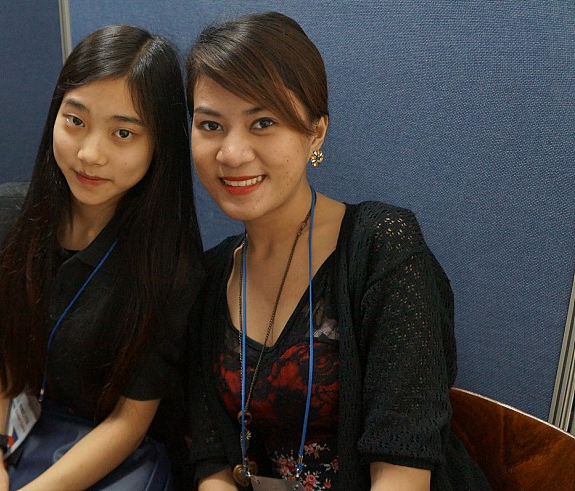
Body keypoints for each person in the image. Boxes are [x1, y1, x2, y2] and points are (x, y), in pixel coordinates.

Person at [185, 11, 490, 491]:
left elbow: (403, 467)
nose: (232, 152)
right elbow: (211, 458)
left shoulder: (383, 248)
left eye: (263, 122)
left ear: (316, 132)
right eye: (210, 125)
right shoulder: (210, 275)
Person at [0, 24, 202, 491]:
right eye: (75, 120)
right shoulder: (0, 215)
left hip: (118, 466)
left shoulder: (171, 268)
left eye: (123, 133)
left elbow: (129, 421)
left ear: (159, 144)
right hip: (18, 444)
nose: (90, 154)